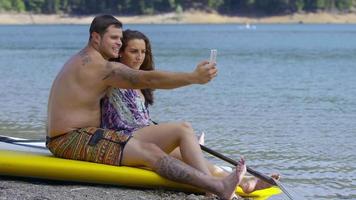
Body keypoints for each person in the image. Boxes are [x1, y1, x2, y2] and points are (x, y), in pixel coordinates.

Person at [46, 14, 246, 199]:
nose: (119, 43)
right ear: (96, 38)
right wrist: (193, 77)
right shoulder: (99, 67)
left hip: (77, 135)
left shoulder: (82, 60)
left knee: (156, 148)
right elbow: (147, 78)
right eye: (114, 38)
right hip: (69, 139)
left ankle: (230, 184)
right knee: (149, 152)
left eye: (120, 39)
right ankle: (216, 187)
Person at [100, 29, 280, 194]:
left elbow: (141, 114)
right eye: (133, 51)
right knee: (182, 128)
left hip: (142, 137)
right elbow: (153, 80)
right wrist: (194, 77)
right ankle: (214, 188)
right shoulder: (112, 76)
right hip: (123, 140)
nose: (139, 57)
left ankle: (245, 182)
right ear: (120, 52)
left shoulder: (140, 85)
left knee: (186, 156)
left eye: (143, 52)